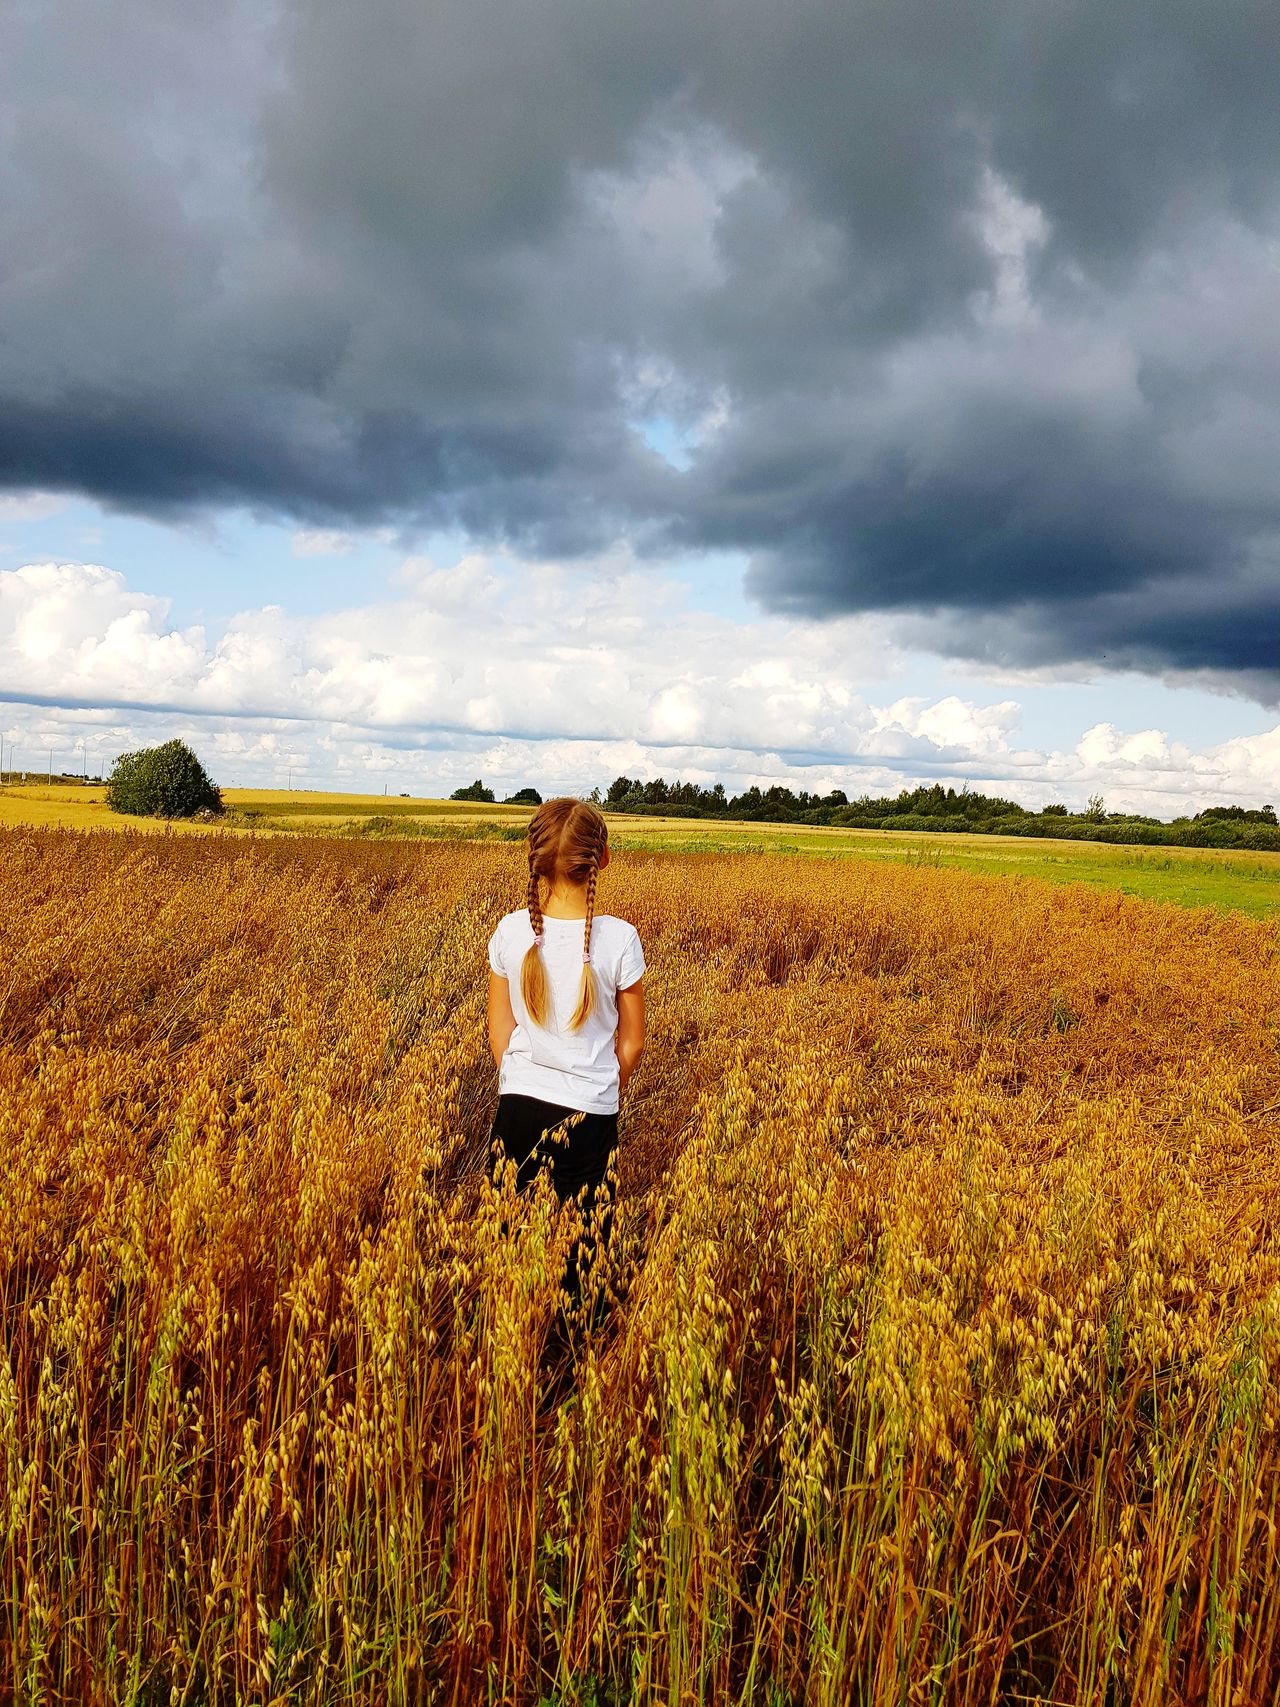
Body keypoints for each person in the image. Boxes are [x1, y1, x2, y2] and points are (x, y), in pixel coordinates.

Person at [486, 797, 645, 1305]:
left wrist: (525, 1080)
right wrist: (595, 1081)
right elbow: (632, 1042)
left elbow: (499, 1028)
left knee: (509, 1253)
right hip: (591, 1116)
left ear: (533, 858)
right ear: (602, 858)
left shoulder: (511, 931)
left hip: (517, 1111)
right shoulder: (621, 938)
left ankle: (513, 1358)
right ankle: (576, 1363)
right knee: (584, 1262)